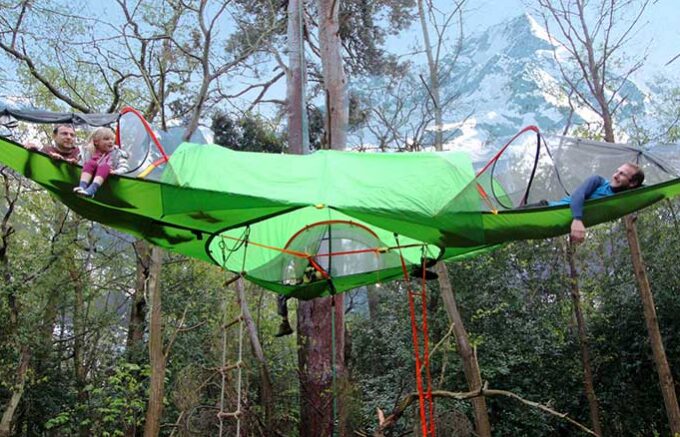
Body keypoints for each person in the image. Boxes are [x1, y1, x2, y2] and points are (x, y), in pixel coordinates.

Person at [551, 163, 645, 244]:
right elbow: (577, 195)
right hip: (548, 209)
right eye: (617, 171)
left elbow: (649, 189)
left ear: (633, 183)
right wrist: (577, 219)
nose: (615, 176)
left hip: (558, 223)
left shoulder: (628, 197)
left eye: (622, 174)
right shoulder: (598, 181)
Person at [73, 127, 129, 198]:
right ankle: (82, 187)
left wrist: (116, 172)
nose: (110, 141)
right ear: (96, 142)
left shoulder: (117, 154)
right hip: (91, 176)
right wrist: (76, 163)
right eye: (106, 139)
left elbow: (124, 167)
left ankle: (92, 190)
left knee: (104, 166)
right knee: (90, 163)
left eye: (112, 139)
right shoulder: (88, 152)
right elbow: (82, 164)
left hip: (109, 181)